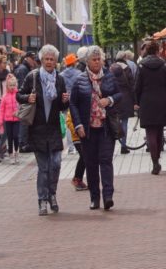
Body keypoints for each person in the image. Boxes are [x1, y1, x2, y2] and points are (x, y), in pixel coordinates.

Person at [18, 44, 70, 216]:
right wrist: (28, 97)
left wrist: (65, 100)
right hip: (38, 129)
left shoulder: (60, 79)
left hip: (54, 128)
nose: (49, 62)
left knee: (55, 164)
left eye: (52, 59)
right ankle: (42, 200)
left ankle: (52, 194)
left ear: (56, 62)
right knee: (44, 167)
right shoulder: (32, 76)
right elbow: (19, 95)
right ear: (41, 60)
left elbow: (63, 106)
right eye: (46, 59)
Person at [69, 46, 120, 210]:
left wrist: (110, 100)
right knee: (91, 164)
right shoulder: (79, 80)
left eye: (99, 59)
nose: (97, 62)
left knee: (106, 161)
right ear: (87, 62)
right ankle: (94, 198)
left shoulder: (109, 76)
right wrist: (78, 125)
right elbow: (73, 104)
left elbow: (120, 94)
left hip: (105, 127)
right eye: (94, 60)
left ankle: (108, 196)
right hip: (88, 130)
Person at [134, 40, 166, 175]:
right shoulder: (163, 66)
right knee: (159, 131)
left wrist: (135, 102)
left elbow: (137, 87)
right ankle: (157, 157)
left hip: (146, 102)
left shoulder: (141, 66)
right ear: (157, 51)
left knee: (150, 133)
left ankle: (155, 163)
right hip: (161, 102)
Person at [111, 51, 135, 154]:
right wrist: (135, 101)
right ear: (124, 58)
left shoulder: (111, 68)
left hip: (114, 98)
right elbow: (132, 85)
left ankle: (112, 144)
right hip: (125, 99)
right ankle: (123, 146)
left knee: (114, 121)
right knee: (124, 122)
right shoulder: (127, 68)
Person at [60, 53, 82, 155]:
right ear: (74, 63)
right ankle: (78, 142)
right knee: (76, 121)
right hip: (77, 101)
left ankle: (70, 147)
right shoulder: (79, 73)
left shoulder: (61, 75)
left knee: (67, 123)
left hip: (65, 101)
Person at [0, 74, 21, 165]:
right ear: (7, 86)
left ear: (16, 85)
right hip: (7, 120)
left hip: (16, 119)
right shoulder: (4, 97)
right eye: (10, 85)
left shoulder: (18, 95)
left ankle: (16, 151)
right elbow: (1, 110)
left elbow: (21, 106)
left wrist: (18, 113)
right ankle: (11, 154)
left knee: (16, 136)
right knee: (10, 137)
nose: (12, 87)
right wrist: (0, 121)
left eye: (14, 85)